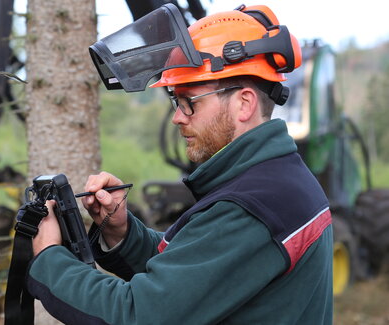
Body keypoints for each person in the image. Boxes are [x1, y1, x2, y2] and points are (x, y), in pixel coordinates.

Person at [28, 4, 333, 325]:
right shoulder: (277, 180)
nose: (177, 116)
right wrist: (123, 232)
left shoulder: (252, 208)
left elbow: (136, 315)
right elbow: (193, 273)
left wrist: (49, 257)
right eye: (176, 101)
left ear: (244, 103)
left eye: (190, 102)